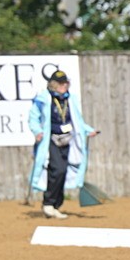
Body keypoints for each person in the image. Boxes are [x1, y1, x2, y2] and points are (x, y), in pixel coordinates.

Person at [28, 70, 99, 219]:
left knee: (64, 171)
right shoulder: (43, 99)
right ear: (53, 85)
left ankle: (55, 205)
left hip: (67, 140)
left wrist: (88, 131)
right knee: (57, 170)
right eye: (60, 83)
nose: (64, 86)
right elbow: (33, 118)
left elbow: (77, 121)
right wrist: (37, 131)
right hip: (51, 140)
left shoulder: (69, 99)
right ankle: (48, 202)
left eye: (65, 83)